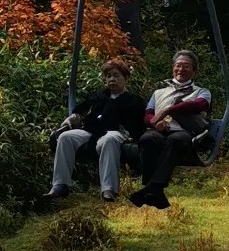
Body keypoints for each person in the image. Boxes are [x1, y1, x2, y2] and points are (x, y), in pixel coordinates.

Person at [45, 59, 146, 203]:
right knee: (66, 137)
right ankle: (60, 185)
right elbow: (81, 111)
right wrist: (74, 117)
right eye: (109, 76)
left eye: (116, 75)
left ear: (126, 78)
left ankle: (109, 189)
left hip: (117, 132)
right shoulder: (100, 96)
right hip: (92, 131)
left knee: (109, 139)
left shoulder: (133, 100)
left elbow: (136, 125)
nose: (112, 79)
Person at [130, 50, 212, 210]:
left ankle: (150, 188)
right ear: (173, 68)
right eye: (178, 65)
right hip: (159, 131)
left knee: (176, 140)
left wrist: (168, 110)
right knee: (147, 139)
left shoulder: (201, 92)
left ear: (193, 70)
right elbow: (148, 114)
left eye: (186, 66)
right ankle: (154, 190)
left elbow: (199, 105)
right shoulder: (159, 92)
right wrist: (155, 123)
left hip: (182, 132)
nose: (181, 69)